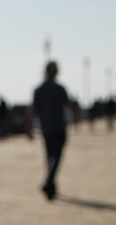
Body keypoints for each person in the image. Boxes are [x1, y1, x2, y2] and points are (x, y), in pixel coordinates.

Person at [27, 61, 78, 201]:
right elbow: (70, 106)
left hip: (46, 129)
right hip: (59, 128)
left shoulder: (38, 90)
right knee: (57, 157)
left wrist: (29, 129)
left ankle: (51, 186)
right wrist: (75, 120)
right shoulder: (60, 89)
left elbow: (31, 111)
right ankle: (49, 182)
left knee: (49, 157)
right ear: (54, 72)